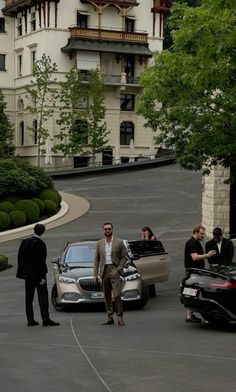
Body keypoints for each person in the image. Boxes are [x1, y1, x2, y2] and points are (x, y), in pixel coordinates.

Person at [16, 223, 60, 327]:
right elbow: (40, 262)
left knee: (28, 297)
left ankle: (30, 320)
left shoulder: (24, 242)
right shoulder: (40, 244)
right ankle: (46, 319)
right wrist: (41, 277)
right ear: (43, 232)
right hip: (38, 275)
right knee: (43, 297)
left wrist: (24, 273)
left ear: (34, 230)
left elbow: (20, 258)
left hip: (28, 275)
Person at [94, 222, 128, 326]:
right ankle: (109, 317)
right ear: (103, 230)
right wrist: (95, 274)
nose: (107, 230)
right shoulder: (99, 243)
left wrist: (119, 268)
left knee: (117, 294)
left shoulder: (119, 242)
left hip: (114, 269)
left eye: (109, 229)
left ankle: (120, 317)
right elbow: (96, 259)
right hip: (104, 270)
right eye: (105, 229)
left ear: (112, 230)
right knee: (107, 295)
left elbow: (124, 257)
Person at [184, 224, 216, 323]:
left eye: (204, 234)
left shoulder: (195, 242)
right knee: (192, 292)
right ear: (196, 232)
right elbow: (194, 257)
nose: (203, 235)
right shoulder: (192, 243)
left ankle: (190, 315)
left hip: (195, 272)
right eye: (202, 234)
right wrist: (207, 255)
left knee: (192, 293)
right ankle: (189, 316)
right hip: (194, 273)